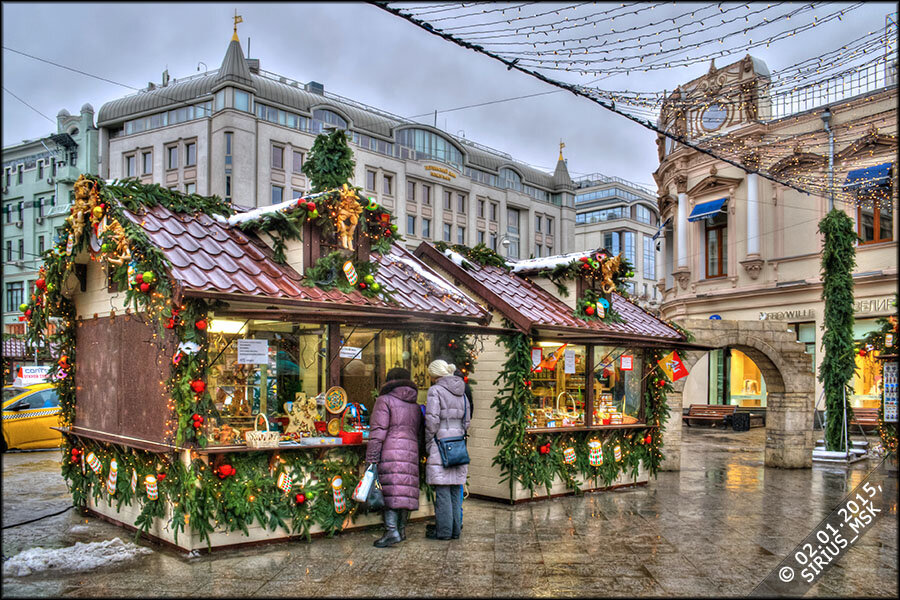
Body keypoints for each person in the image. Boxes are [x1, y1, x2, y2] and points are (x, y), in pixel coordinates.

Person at [366, 367, 422, 548]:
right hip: (411, 451)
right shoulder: (414, 405)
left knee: (390, 490)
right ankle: (401, 529)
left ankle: (391, 530)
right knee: (403, 489)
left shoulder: (384, 400)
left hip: (390, 450)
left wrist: (372, 458)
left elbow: (378, 432)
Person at [424, 359, 470, 540]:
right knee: (453, 490)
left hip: (440, 444)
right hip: (458, 444)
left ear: (435, 375)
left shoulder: (435, 391)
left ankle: (443, 532)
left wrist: (429, 443)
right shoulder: (462, 392)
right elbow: (467, 422)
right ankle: (455, 530)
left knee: (442, 492)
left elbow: (432, 421)